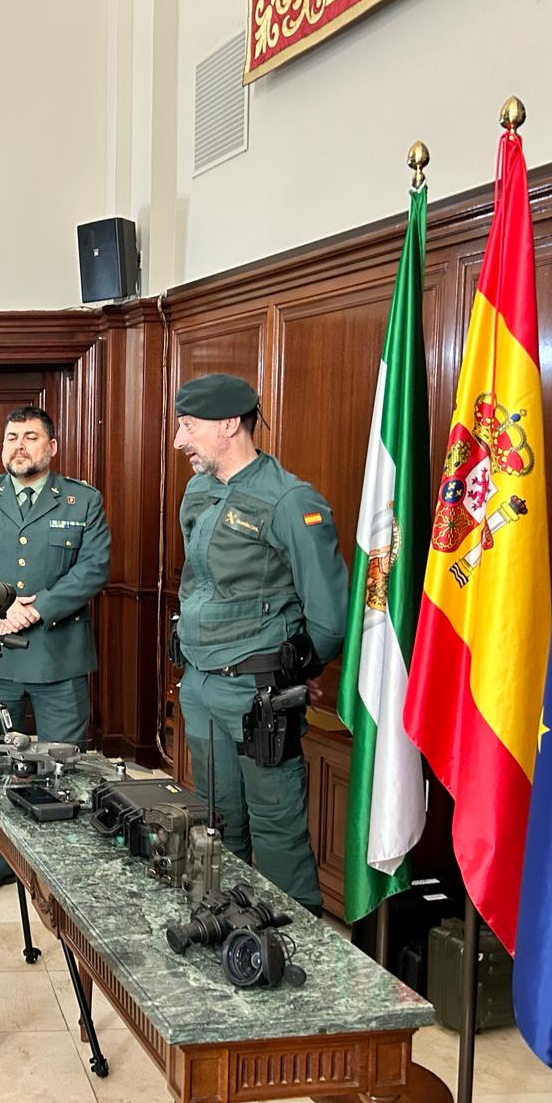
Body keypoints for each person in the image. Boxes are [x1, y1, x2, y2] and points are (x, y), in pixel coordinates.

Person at [170, 373, 348, 913]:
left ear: (229, 425)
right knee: (218, 819)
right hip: (200, 683)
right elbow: (197, 582)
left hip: (256, 694)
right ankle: (229, 925)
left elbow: (329, 613)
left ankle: (292, 940)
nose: (179, 440)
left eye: (188, 426)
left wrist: (296, 670)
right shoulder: (199, 490)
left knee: (276, 824)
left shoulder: (291, 501)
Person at [0, 405, 109, 890]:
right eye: (11, 437)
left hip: (58, 654)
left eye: (31, 437)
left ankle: (60, 864)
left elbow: (93, 568)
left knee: (65, 762)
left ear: (52, 447)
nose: (19, 446)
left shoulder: (83, 501)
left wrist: (36, 608)